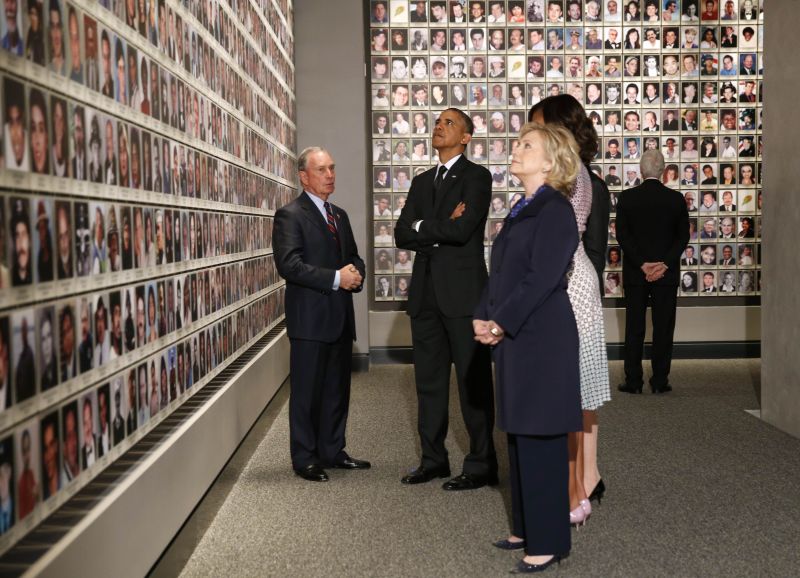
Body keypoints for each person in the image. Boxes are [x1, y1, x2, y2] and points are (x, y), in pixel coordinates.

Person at [475, 121, 581, 572]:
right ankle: (525, 526)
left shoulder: (556, 209)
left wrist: (500, 323)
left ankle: (549, 541)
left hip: (542, 336)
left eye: (526, 145)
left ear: (551, 160)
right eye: (517, 143)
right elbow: (501, 272)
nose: (515, 150)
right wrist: (484, 315)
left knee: (541, 435)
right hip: (518, 334)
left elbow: (541, 279)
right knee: (520, 433)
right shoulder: (522, 207)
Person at [395, 108, 497, 490]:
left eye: (449, 123)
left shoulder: (477, 177)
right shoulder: (421, 182)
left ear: (467, 138)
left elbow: (463, 229)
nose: (439, 126)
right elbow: (402, 233)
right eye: (438, 122)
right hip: (425, 296)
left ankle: (482, 464)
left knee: (474, 385)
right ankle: (433, 460)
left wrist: (424, 227)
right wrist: (433, 227)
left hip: (464, 296)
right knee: (429, 384)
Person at [529, 95, 611, 520]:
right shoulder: (569, 176)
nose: (529, 138)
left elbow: (588, 248)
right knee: (579, 390)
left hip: (573, 289)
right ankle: (581, 480)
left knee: (577, 389)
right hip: (569, 284)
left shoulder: (580, 179)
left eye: (537, 129)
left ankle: (582, 481)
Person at [272, 147, 368, 483]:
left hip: (340, 317)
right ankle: (305, 457)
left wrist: (356, 275)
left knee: (336, 390)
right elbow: (290, 265)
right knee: (307, 393)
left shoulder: (338, 214)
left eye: (332, 168)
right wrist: (337, 278)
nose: (330, 175)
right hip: (310, 321)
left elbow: (353, 256)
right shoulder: (290, 215)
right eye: (321, 169)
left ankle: (332, 450)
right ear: (303, 176)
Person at [616, 150, 689, 394]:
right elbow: (683, 237)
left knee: (634, 328)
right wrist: (664, 264)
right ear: (663, 171)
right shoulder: (676, 199)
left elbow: (622, 236)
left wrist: (642, 264)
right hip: (666, 276)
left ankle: (633, 381)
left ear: (641, 169)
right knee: (663, 328)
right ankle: (659, 381)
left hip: (637, 275)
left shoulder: (626, 198)